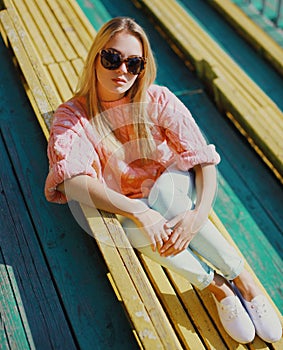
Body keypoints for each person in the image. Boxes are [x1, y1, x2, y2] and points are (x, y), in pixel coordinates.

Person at [44, 17, 282, 344]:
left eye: (134, 63)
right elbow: (71, 180)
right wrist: (138, 211)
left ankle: (244, 280)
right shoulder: (73, 117)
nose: (122, 70)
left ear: (143, 68)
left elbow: (202, 160)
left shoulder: (158, 100)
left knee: (165, 197)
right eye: (112, 58)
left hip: (174, 187)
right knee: (134, 228)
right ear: (95, 56)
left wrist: (197, 216)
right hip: (132, 205)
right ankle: (217, 286)